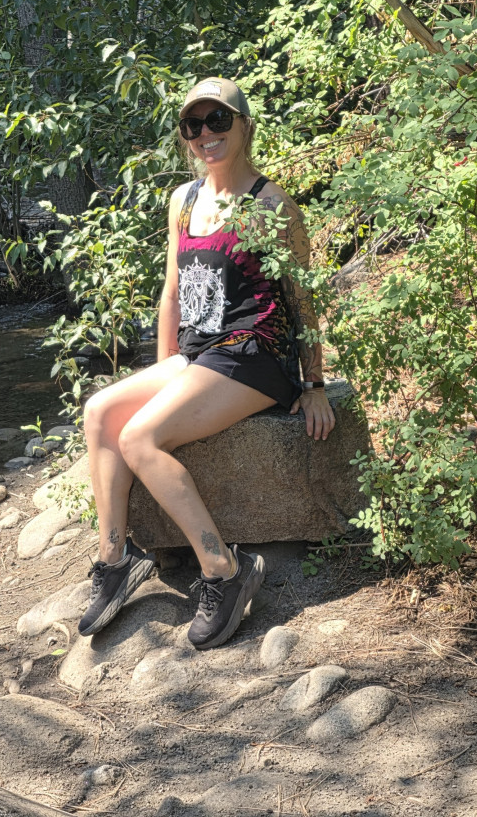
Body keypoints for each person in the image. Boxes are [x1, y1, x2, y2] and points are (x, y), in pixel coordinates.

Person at [76, 76, 336, 650]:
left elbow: (302, 298)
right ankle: (116, 560)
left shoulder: (271, 205)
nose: (205, 134)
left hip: (255, 355)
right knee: (100, 412)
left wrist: (314, 383)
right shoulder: (185, 200)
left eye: (218, 120)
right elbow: (172, 292)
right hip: (200, 353)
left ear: (244, 126)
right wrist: (164, 372)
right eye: (193, 125)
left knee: (140, 436)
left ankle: (224, 569)